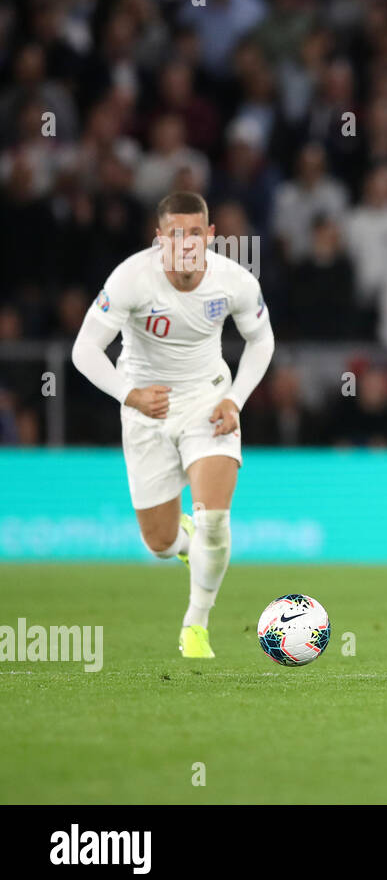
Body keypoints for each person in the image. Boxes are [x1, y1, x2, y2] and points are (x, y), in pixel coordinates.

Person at [71, 191, 274, 658]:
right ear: (159, 237)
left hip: (207, 401)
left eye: (196, 234)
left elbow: (261, 341)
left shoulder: (234, 281)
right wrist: (131, 394)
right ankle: (183, 542)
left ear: (211, 236)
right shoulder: (131, 279)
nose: (186, 245)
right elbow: (84, 351)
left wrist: (234, 399)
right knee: (159, 543)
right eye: (176, 235)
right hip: (146, 409)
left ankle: (196, 626)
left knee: (216, 522)